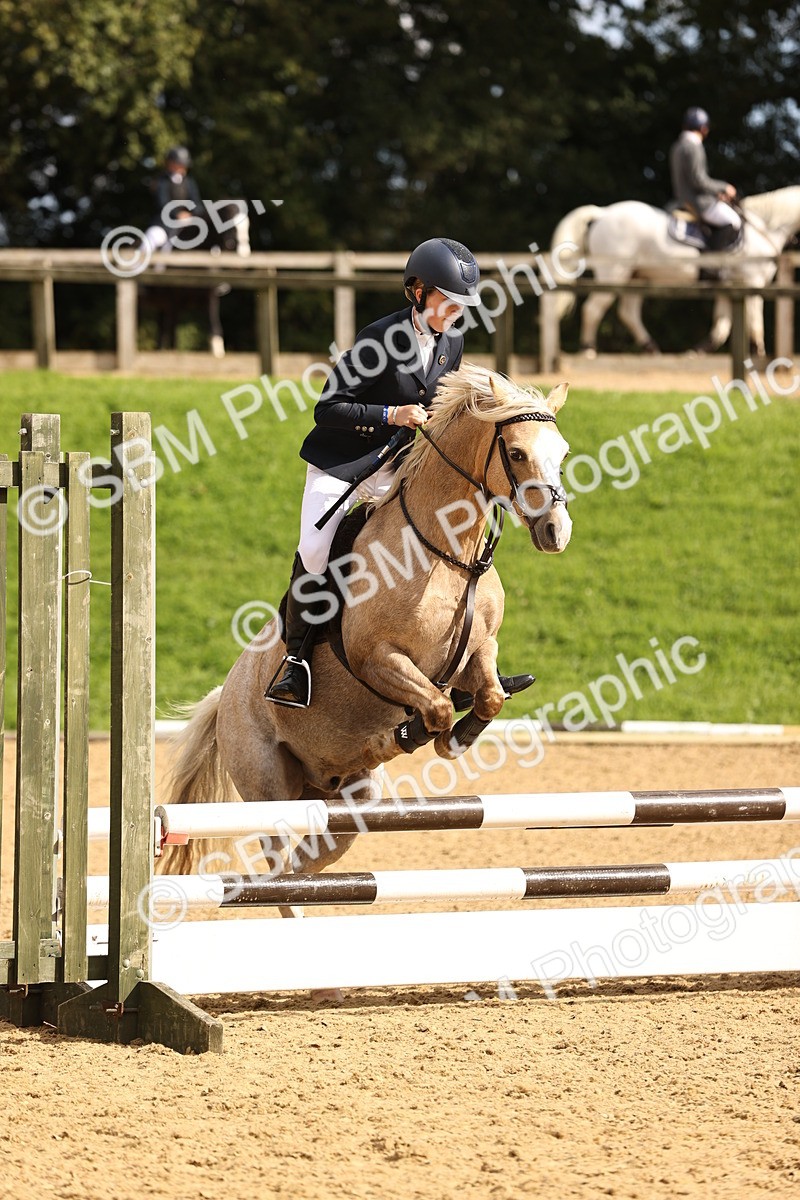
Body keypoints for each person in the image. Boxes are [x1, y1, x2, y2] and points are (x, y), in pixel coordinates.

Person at [266, 237, 534, 710]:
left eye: (461, 305)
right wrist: (391, 414)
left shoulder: (452, 340)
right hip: (344, 464)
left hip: (398, 467)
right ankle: (296, 661)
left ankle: (467, 660)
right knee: (315, 549)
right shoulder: (377, 339)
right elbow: (328, 408)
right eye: (448, 302)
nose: (456, 312)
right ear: (417, 292)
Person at [669, 108, 741, 250]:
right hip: (697, 202)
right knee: (733, 221)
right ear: (703, 129)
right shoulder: (693, 146)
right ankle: (711, 265)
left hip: (681, 198)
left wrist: (714, 194)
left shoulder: (677, 146)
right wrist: (724, 187)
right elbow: (698, 180)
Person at [144, 146, 203, 254]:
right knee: (152, 238)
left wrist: (191, 214)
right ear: (171, 164)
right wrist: (177, 214)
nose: (182, 167)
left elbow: (197, 204)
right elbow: (162, 203)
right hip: (163, 224)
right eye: (179, 164)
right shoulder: (162, 181)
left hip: (184, 225)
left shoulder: (190, 183)